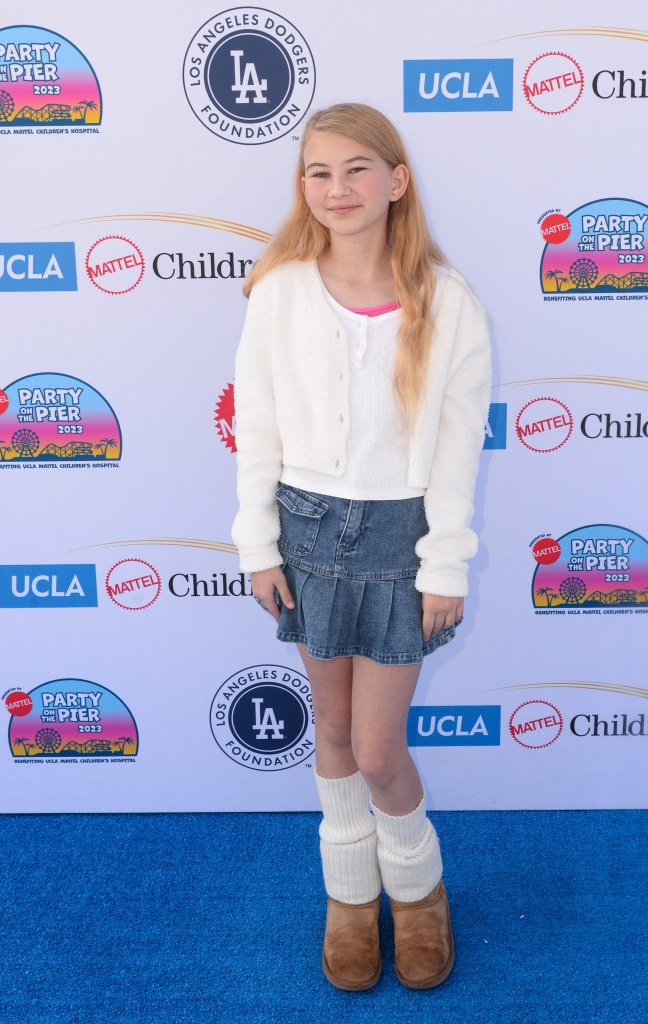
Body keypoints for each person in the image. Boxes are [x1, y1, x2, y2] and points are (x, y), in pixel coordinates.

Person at [232, 103, 492, 991]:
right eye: (318, 172)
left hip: (400, 538)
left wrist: (444, 562)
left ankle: (418, 893)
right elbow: (257, 427)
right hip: (304, 531)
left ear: (396, 181)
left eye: (355, 170)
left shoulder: (447, 303)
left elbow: (458, 448)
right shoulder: (279, 292)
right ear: (302, 187)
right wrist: (256, 545)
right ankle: (350, 900)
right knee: (333, 731)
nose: (336, 189)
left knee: (379, 749)